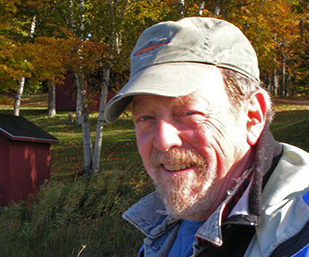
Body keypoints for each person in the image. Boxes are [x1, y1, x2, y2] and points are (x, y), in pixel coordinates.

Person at [104, 17, 309, 257]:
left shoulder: (298, 230)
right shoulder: (171, 226)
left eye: (188, 112)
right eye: (145, 118)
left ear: (252, 117)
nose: (162, 140)